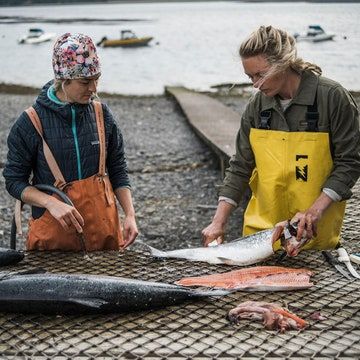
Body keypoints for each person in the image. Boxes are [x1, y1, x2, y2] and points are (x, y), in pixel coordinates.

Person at [202, 25, 360, 252]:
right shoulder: (256, 106)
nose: (255, 84)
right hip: (260, 237)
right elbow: (240, 166)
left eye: (261, 75)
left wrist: (314, 212)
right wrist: (219, 221)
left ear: (284, 63)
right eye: (250, 77)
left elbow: (350, 162)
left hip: (312, 236)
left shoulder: (332, 97)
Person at [3, 33, 138, 251]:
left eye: (97, 79)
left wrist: (130, 214)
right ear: (63, 80)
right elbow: (14, 182)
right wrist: (50, 202)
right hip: (54, 238)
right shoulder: (30, 122)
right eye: (85, 82)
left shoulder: (102, 114)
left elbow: (118, 169)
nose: (93, 89)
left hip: (105, 233)